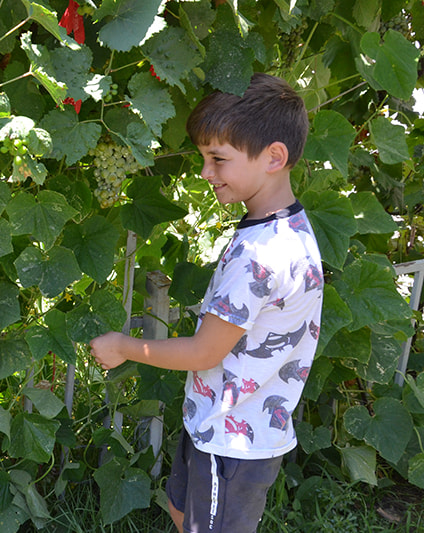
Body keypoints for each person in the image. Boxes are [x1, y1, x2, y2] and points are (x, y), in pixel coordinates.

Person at [89, 73, 323, 533]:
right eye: (203, 158)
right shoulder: (282, 229)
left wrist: (123, 345)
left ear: (274, 157)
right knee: (182, 509)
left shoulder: (262, 256)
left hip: (232, 442)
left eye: (217, 159)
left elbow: (204, 352)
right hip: (220, 424)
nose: (205, 172)